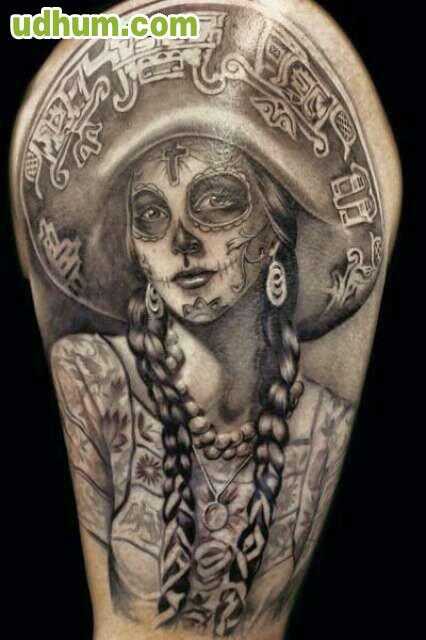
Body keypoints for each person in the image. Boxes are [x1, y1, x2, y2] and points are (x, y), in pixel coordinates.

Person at [10, 1, 401, 639]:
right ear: (135, 253)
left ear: (275, 231)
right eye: (151, 215)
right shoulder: (97, 380)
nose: (182, 240)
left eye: (216, 199)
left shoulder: (321, 423)